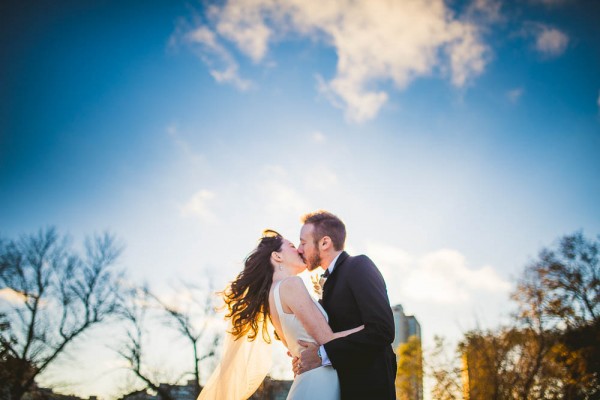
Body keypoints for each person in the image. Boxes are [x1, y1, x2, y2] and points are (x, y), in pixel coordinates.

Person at [198, 229, 363, 400]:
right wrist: (369, 328)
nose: (299, 250)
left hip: (310, 381)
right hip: (318, 382)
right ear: (277, 256)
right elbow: (327, 341)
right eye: (292, 246)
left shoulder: (272, 297)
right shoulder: (291, 284)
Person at [294, 210, 397, 400]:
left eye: (303, 242)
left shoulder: (359, 265)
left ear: (325, 242)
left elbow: (382, 330)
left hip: (368, 390)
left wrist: (321, 355)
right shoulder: (328, 282)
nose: (299, 249)